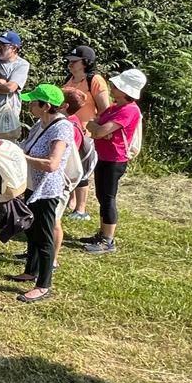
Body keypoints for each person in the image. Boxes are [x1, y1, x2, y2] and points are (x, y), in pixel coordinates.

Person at [12, 84, 74, 303]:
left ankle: (43, 284)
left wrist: (23, 159)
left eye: (33, 101)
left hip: (47, 190)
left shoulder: (62, 128)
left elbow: (52, 164)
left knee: (45, 236)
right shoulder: (41, 123)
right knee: (31, 230)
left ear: (46, 106)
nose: (29, 104)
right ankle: (31, 270)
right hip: (31, 186)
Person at [82, 69, 147, 255]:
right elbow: (92, 125)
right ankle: (102, 233)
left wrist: (101, 130)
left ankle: (108, 240)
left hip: (115, 160)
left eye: (117, 85)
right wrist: (101, 130)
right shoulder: (114, 107)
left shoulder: (129, 110)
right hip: (104, 156)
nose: (112, 86)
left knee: (108, 198)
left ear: (126, 90)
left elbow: (99, 130)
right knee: (102, 196)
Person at [61, 46, 110, 220]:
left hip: (85, 134)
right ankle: (71, 203)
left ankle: (81, 210)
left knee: (81, 169)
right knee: (69, 167)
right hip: (68, 130)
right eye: (69, 61)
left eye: (74, 61)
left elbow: (105, 110)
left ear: (86, 62)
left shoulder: (95, 80)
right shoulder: (70, 79)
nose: (70, 64)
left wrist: (93, 128)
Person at [53, 88, 87, 267]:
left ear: (64, 106)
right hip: (56, 179)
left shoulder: (68, 126)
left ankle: (53, 259)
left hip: (60, 181)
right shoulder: (70, 121)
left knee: (54, 221)